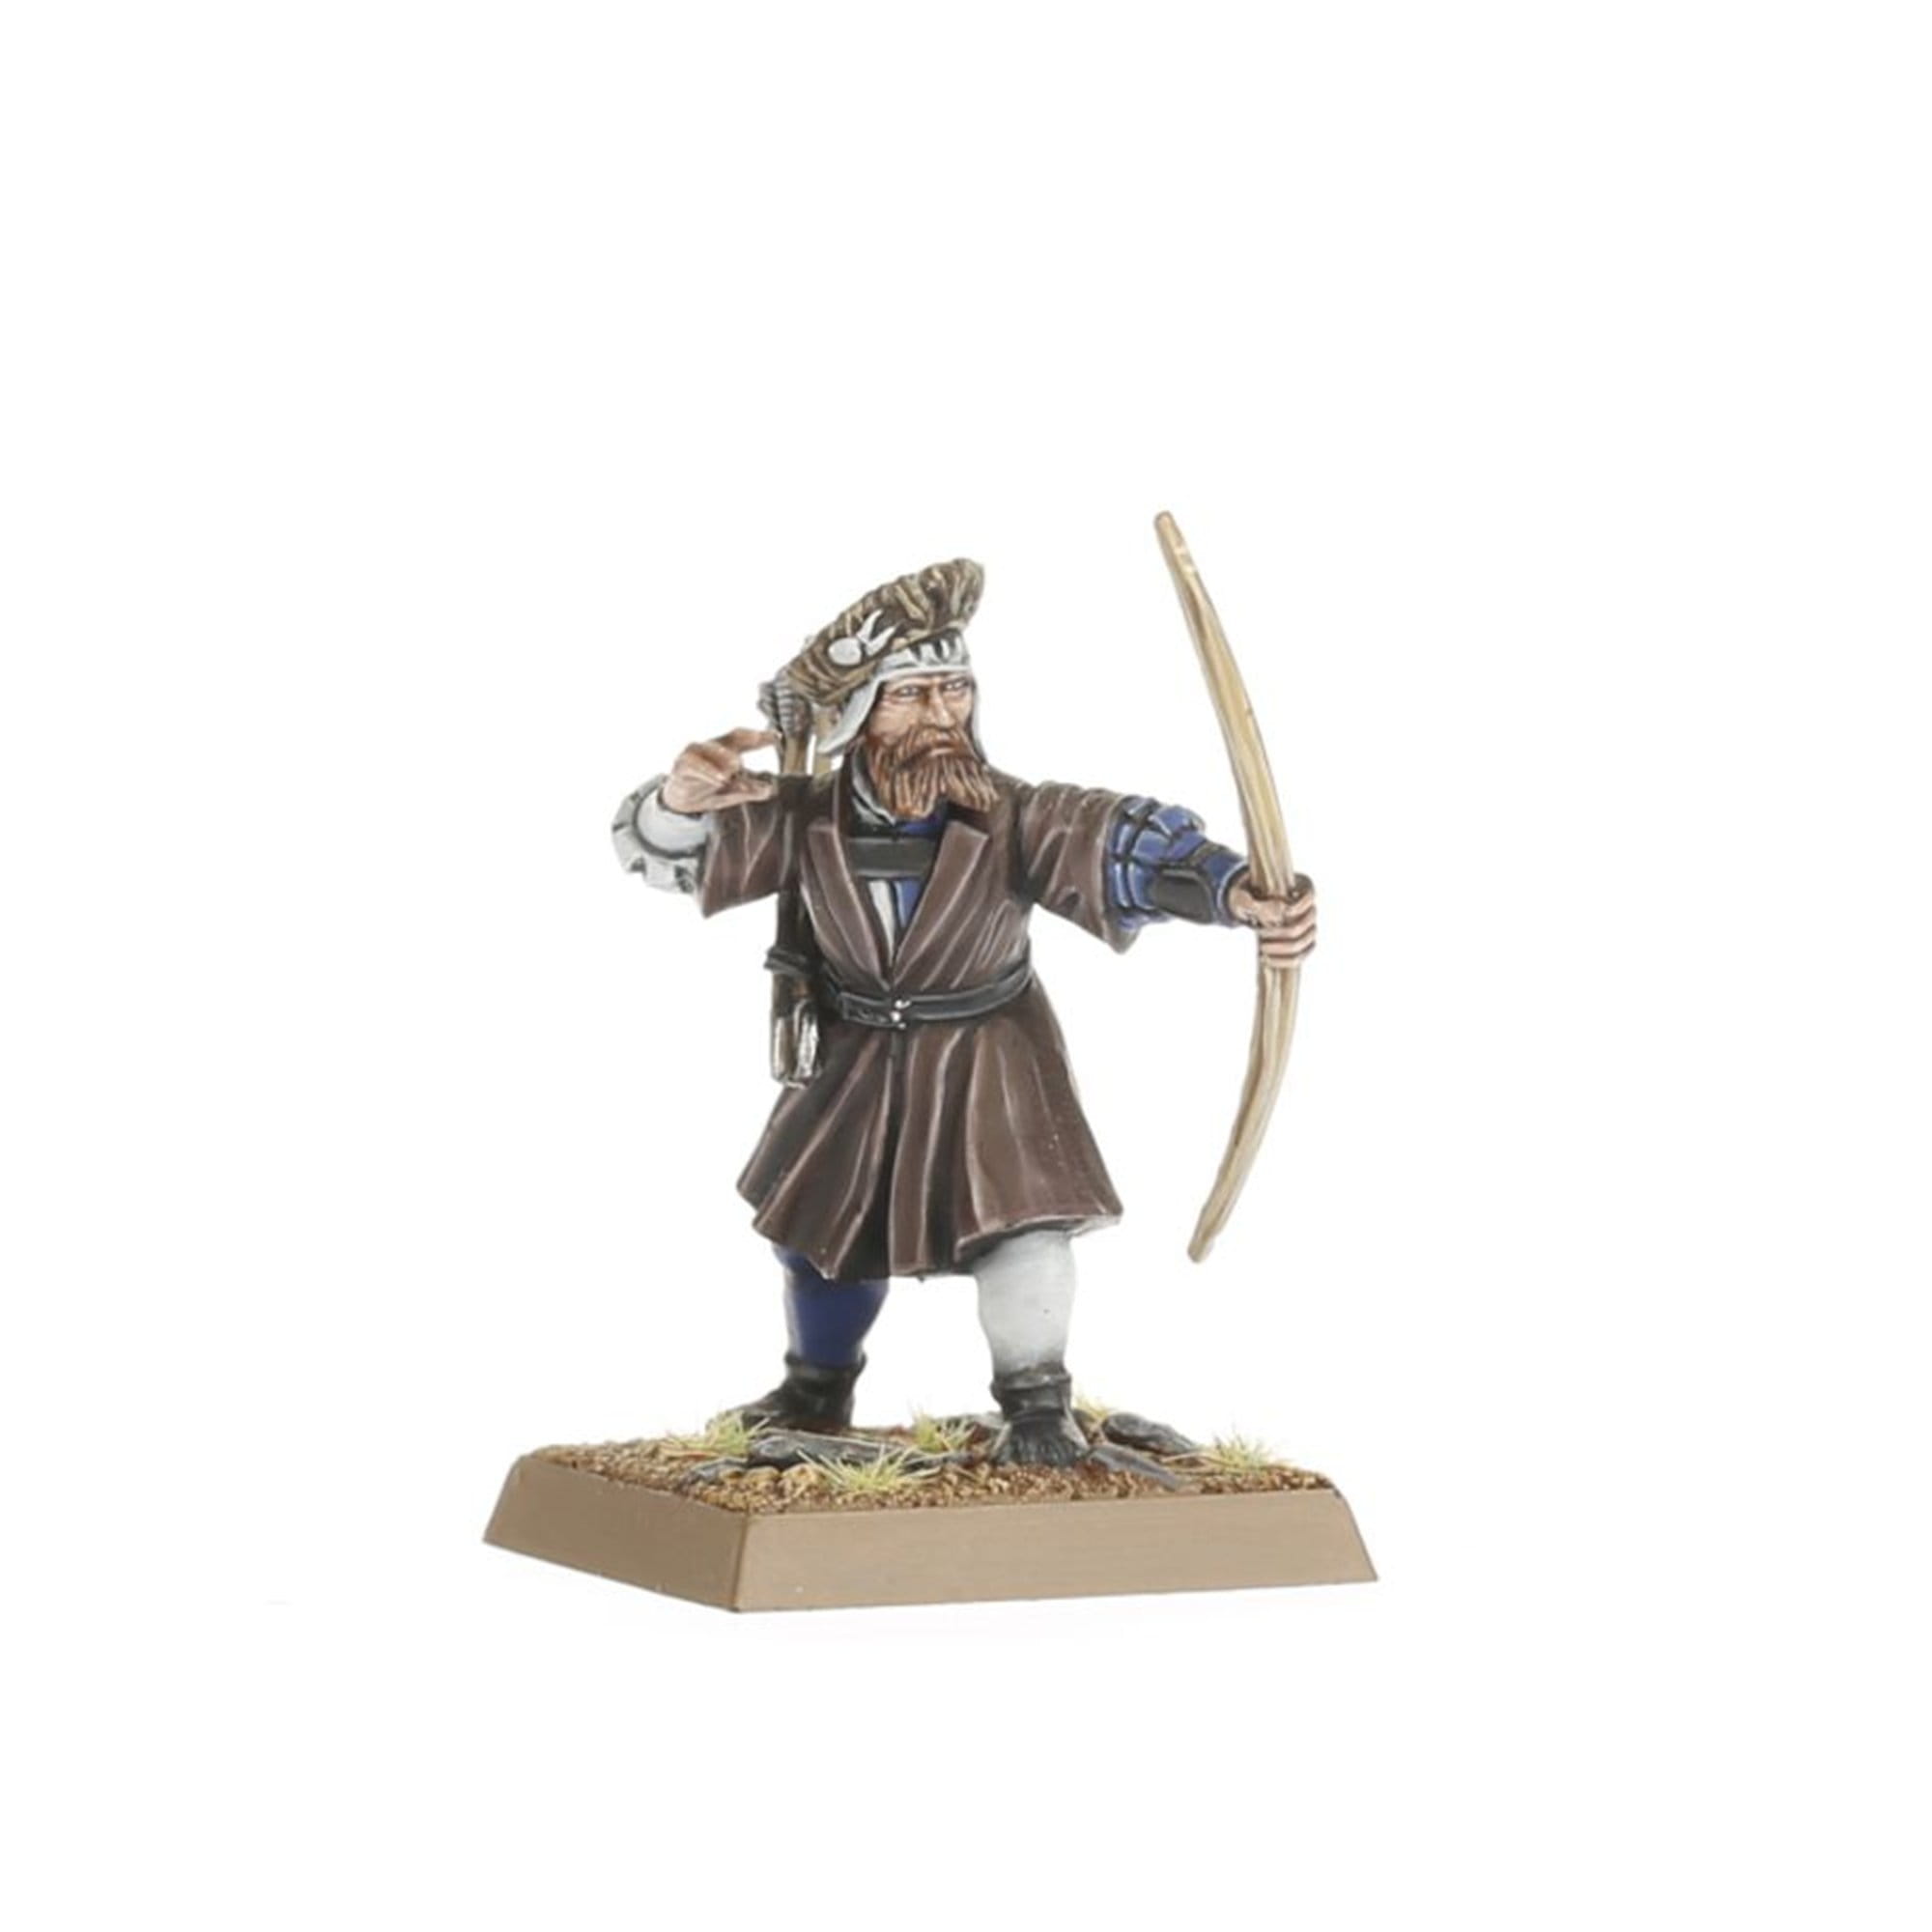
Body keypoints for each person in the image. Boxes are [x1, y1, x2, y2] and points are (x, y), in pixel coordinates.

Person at [612, 558, 1314, 1463]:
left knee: (1022, 1232)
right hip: (856, 1056)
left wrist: (1236, 894)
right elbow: (677, 853)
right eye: (911, 695)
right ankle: (815, 1389)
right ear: (857, 713)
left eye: (956, 690)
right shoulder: (801, 815)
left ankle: (1038, 1408)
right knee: (821, 1234)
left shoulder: (1015, 815)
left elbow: (1120, 846)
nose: (942, 715)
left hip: (992, 1059)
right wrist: (679, 803)